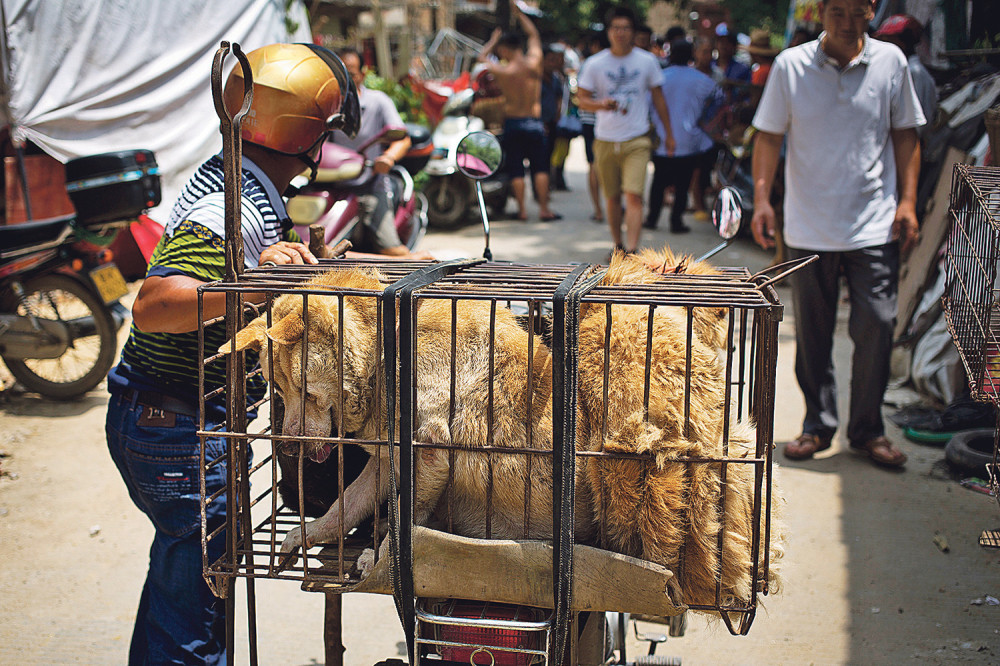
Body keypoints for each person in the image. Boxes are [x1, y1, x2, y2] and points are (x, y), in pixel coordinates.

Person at [105, 43, 358, 663]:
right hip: (180, 428)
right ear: (305, 135)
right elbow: (154, 304)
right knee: (194, 623)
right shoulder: (232, 209)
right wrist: (256, 285)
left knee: (180, 598)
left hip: (170, 420)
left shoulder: (237, 178)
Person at [750, 0, 925, 469]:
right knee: (812, 332)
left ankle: (867, 430)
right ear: (821, 11)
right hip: (808, 225)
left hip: (874, 223)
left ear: (871, 9)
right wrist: (763, 200)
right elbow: (769, 136)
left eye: (857, 12)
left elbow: (906, 135)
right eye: (837, 13)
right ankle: (817, 425)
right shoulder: (791, 66)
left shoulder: (891, 61)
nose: (848, 23)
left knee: (877, 325)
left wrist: (908, 201)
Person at [577, 5, 675, 255]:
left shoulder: (647, 61)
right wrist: (601, 105)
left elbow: (659, 99)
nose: (620, 33)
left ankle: (632, 250)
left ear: (633, 32)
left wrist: (669, 134)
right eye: (616, 28)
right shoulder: (595, 63)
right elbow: (582, 99)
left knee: (634, 196)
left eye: (625, 28)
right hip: (605, 139)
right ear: (608, 31)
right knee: (612, 197)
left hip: (637, 139)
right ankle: (618, 245)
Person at [330, 47, 420, 256]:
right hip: (332, 187)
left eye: (351, 74)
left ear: (362, 74)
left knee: (391, 250)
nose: (346, 80)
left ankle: (415, 261)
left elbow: (402, 138)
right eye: (340, 73)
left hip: (370, 186)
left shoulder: (378, 101)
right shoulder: (327, 104)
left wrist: (388, 157)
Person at [478, 1, 562, 222]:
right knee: (540, 168)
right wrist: (519, 14)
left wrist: (493, 40)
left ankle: (523, 211)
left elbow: (481, 58)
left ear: (505, 49)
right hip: (534, 122)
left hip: (513, 122)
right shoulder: (534, 63)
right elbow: (533, 34)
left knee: (516, 169)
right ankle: (544, 209)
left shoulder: (503, 71)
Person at [645, 38, 722, 234]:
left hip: (662, 140)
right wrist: (705, 122)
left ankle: (652, 218)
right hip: (689, 140)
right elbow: (719, 99)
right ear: (691, 55)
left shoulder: (660, 78)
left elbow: (648, 105)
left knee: (658, 181)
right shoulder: (702, 80)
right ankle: (676, 222)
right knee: (683, 183)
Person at [873, 14, 938, 137]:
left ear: (902, 43)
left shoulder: (914, 73)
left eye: (888, 41)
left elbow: (914, 123)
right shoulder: (899, 70)